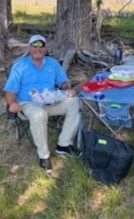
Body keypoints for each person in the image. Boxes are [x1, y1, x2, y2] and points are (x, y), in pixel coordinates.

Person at [4, 34, 80, 173]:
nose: (38, 49)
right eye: (34, 45)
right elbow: (10, 90)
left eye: (41, 46)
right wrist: (11, 104)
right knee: (39, 114)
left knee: (74, 102)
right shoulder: (20, 66)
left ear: (45, 49)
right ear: (29, 48)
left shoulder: (53, 63)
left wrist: (66, 87)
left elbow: (63, 82)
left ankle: (63, 145)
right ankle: (44, 156)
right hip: (28, 105)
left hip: (49, 101)